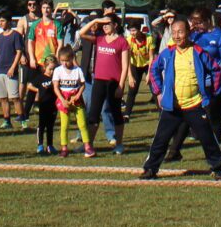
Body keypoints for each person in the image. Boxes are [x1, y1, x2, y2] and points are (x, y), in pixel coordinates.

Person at [139, 19, 221, 180]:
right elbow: (154, 70)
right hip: (172, 106)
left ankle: (217, 168)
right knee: (160, 139)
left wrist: (213, 92)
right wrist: (159, 92)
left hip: (194, 105)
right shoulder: (168, 53)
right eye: (174, 33)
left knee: (207, 138)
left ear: (188, 32)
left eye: (180, 32)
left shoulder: (198, 52)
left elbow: (216, 70)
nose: (177, 36)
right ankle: (151, 168)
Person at [79, 11, 131, 152]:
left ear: (115, 25)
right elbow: (81, 34)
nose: (105, 26)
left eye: (108, 23)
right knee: (94, 114)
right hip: (99, 81)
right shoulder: (100, 38)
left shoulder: (122, 42)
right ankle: (88, 145)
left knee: (116, 113)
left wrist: (121, 85)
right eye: (103, 24)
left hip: (114, 82)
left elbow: (125, 65)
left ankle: (119, 144)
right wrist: (97, 21)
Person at [0, 14, 26, 131]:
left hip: (10, 71)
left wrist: (13, 67)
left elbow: (19, 52)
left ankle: (23, 121)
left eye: (3, 20)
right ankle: (7, 121)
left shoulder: (16, 36)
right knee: (3, 98)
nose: (0, 23)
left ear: (9, 22)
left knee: (15, 97)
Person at [52, 45, 91, 156]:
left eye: (67, 61)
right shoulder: (58, 70)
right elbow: (56, 87)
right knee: (64, 125)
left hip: (76, 99)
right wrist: (62, 100)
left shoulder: (77, 70)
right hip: (64, 99)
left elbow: (82, 85)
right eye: (62, 61)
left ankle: (87, 146)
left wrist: (78, 94)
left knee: (82, 124)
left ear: (72, 58)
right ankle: (64, 148)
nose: (65, 63)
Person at [123, 20, 155, 122]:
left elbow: (151, 57)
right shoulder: (129, 40)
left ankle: (162, 112)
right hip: (134, 65)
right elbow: (127, 59)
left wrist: (149, 73)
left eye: (134, 30)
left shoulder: (149, 38)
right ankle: (127, 115)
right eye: (130, 31)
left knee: (154, 87)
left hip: (147, 64)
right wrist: (130, 76)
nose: (132, 33)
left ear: (139, 29)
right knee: (132, 89)